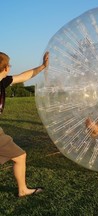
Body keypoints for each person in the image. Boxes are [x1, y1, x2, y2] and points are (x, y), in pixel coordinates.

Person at [0, 51, 49, 197]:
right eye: (9, 65)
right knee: (20, 156)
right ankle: (22, 190)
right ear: (6, 68)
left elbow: (23, 76)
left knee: (17, 156)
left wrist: (42, 67)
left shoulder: (3, 81)